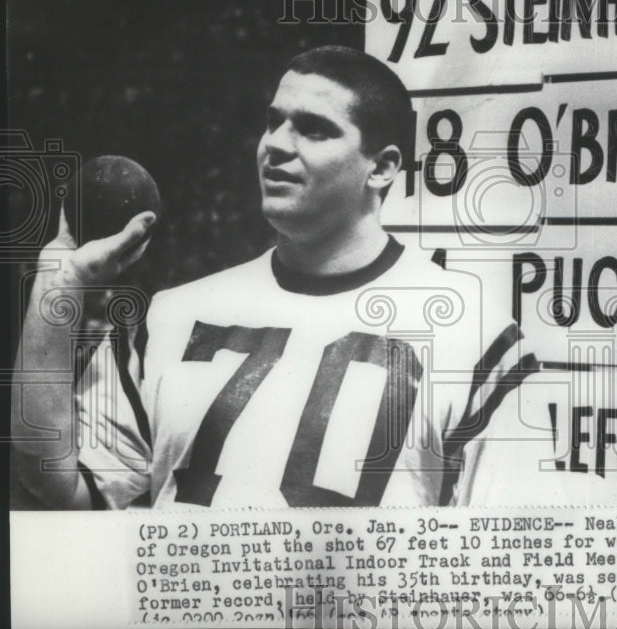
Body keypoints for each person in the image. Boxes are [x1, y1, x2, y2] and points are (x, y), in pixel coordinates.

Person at [11, 45, 537, 509]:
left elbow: (510, 562)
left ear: (381, 168)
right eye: (273, 121)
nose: (276, 145)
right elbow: (56, 486)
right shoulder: (171, 317)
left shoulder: (473, 333)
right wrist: (60, 284)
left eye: (314, 129)